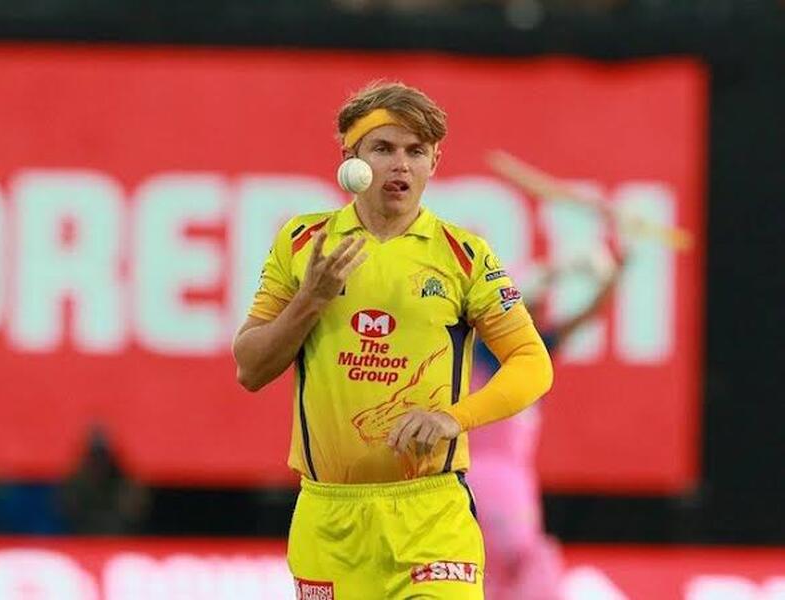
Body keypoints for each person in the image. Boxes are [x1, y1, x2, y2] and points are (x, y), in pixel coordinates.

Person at [232, 81, 553, 599]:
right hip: (329, 520)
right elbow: (250, 368)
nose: (400, 165)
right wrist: (310, 300)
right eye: (383, 149)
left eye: (416, 151)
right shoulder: (303, 243)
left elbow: (532, 362)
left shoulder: (464, 255)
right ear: (350, 159)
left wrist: (453, 418)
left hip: (431, 513)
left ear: (434, 162)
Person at [466, 238, 628, 599]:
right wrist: (567, 269)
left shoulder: (530, 351)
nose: (538, 315)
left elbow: (587, 315)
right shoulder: (492, 348)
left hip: (495, 478)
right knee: (520, 564)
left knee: (484, 570)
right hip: (497, 481)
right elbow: (512, 299)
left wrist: (615, 273)